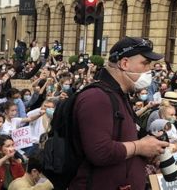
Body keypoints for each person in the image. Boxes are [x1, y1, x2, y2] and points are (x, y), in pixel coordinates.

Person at [70, 37, 170, 189]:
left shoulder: (118, 95)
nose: (149, 70)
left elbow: (122, 142)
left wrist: (148, 150)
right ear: (124, 63)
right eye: (145, 63)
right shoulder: (97, 97)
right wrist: (139, 147)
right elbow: (100, 151)